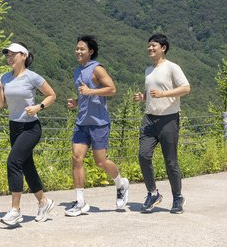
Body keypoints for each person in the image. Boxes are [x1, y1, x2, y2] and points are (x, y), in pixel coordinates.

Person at [65, 35, 129, 217]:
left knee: (100, 161)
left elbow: (112, 89)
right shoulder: (77, 71)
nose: (78, 51)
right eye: (77, 48)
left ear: (90, 51)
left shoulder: (97, 69)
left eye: (82, 49)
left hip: (99, 123)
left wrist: (90, 91)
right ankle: (80, 202)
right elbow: (86, 94)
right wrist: (77, 101)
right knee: (76, 158)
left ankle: (120, 183)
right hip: (82, 122)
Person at [0, 42, 57, 226]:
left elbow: (52, 95)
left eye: (12, 54)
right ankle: (44, 202)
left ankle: (15, 210)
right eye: (7, 55)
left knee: (13, 161)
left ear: (23, 56)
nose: (9, 57)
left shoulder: (32, 77)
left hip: (31, 128)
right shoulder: (4, 78)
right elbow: (0, 105)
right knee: (27, 166)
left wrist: (39, 106)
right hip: (14, 127)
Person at [133, 34, 191, 214]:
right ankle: (152, 193)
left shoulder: (172, 67)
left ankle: (177, 197)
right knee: (143, 156)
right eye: (149, 46)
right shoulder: (148, 70)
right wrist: (143, 97)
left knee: (170, 161)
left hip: (169, 119)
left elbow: (186, 88)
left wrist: (164, 95)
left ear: (163, 48)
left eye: (153, 46)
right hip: (150, 118)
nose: (150, 49)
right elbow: (151, 92)